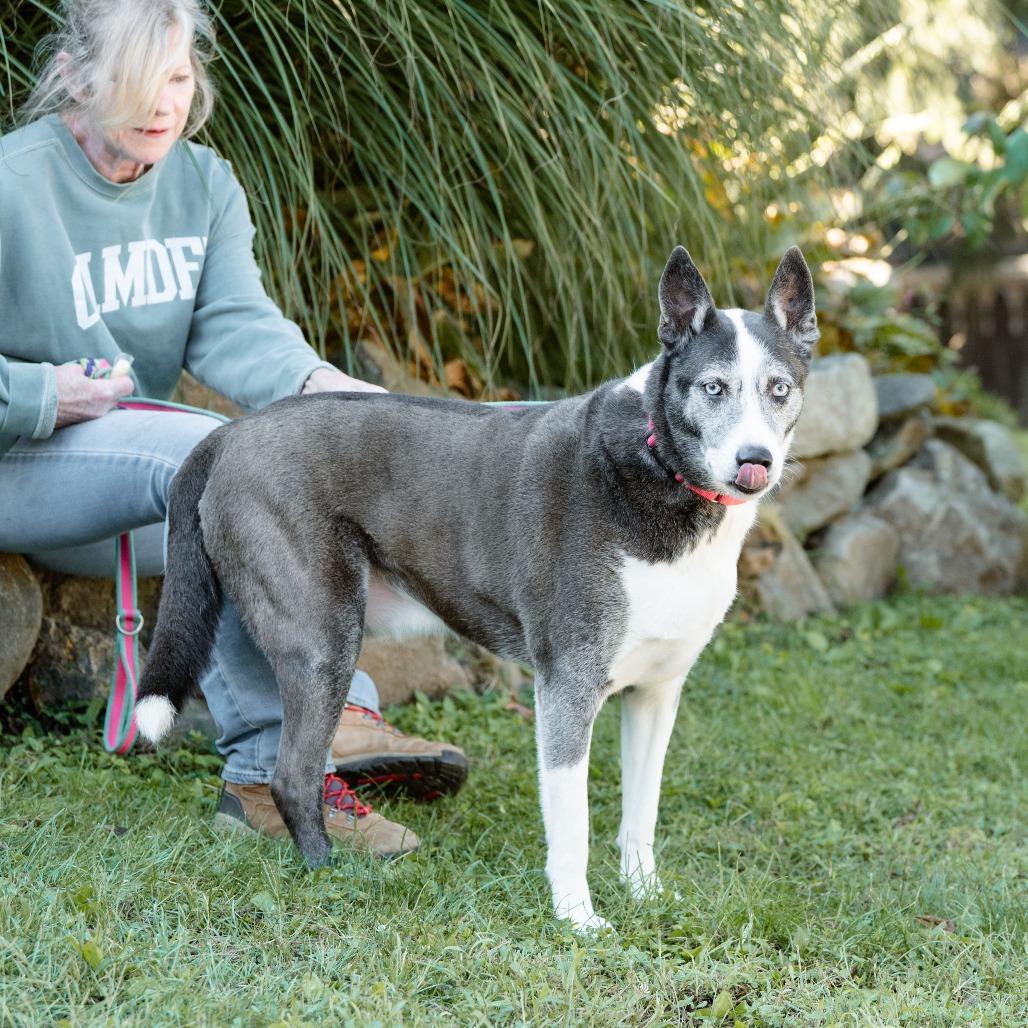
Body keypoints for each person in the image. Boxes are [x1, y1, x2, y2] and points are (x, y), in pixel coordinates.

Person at [0, 0, 467, 858]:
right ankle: (272, 767)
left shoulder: (203, 184)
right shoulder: (12, 185)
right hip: (17, 465)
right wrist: (39, 394)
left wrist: (319, 386)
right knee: (217, 464)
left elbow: (236, 325)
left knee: (269, 484)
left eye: (178, 77)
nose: (163, 104)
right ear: (75, 78)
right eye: (138, 81)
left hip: (123, 487)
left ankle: (328, 723)